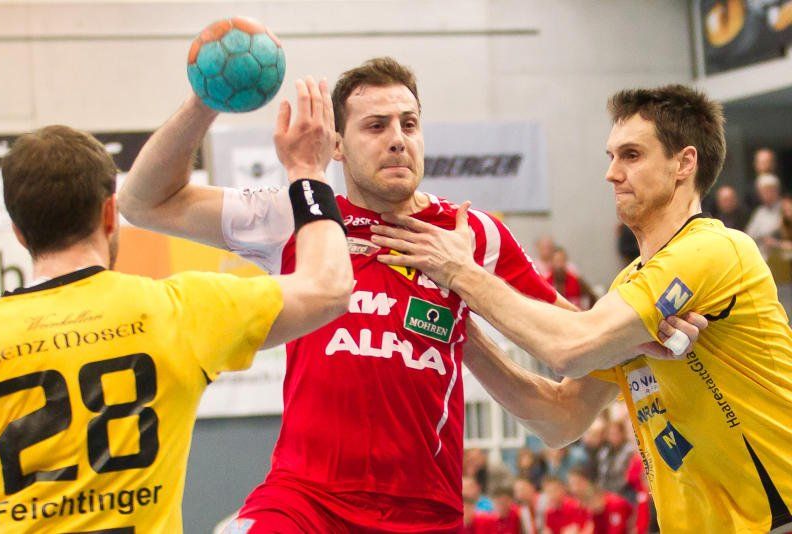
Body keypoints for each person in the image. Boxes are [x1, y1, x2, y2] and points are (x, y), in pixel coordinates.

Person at [119, 57, 573, 532]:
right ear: (336, 145)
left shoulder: (469, 232)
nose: (397, 139)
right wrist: (204, 100)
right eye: (376, 126)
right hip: (304, 502)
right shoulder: (300, 215)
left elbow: (575, 339)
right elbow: (143, 202)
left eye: (409, 124)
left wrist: (471, 278)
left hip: (423, 514)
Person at [370, 84, 792, 531]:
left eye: (631, 155)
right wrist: (462, 328)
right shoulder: (629, 285)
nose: (611, 173)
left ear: (684, 163)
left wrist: (461, 273)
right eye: (611, 156)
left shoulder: (714, 249)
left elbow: (569, 347)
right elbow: (560, 418)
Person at [0, 79, 352, 532]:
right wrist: (307, 171)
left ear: (19, 232)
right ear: (109, 214)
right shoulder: (176, 311)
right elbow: (328, 286)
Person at [567, 467, 632, 534]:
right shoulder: (586, 511)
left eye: (578, 483)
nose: (574, 489)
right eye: (571, 485)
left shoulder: (615, 504)